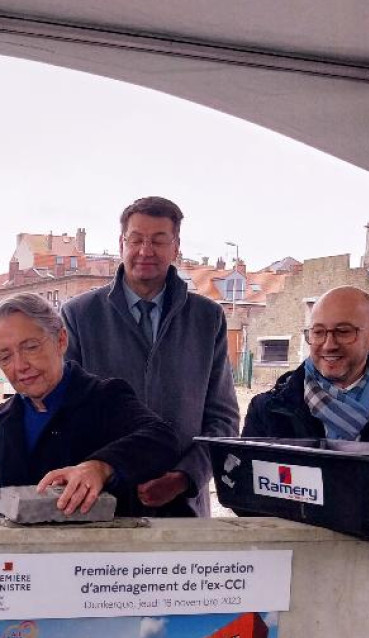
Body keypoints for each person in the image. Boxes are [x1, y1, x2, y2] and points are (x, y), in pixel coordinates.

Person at [60, 196, 239, 516]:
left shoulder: (207, 318)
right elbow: (65, 414)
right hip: (101, 506)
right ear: (121, 243)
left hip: (182, 510)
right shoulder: (79, 316)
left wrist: (186, 476)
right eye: (137, 239)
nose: (146, 251)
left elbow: (222, 419)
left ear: (176, 247)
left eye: (158, 240)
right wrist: (106, 469)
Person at [0, 293, 182, 518]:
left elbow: (162, 439)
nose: (20, 366)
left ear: (61, 340)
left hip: (97, 549)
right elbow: (1, 498)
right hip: (26, 551)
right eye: (5, 356)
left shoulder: (104, 397)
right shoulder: (5, 417)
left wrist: (100, 467)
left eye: (30, 347)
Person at [242, 285, 369, 446]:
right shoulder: (268, 410)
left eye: (343, 331)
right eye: (318, 332)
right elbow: (244, 492)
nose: (329, 344)